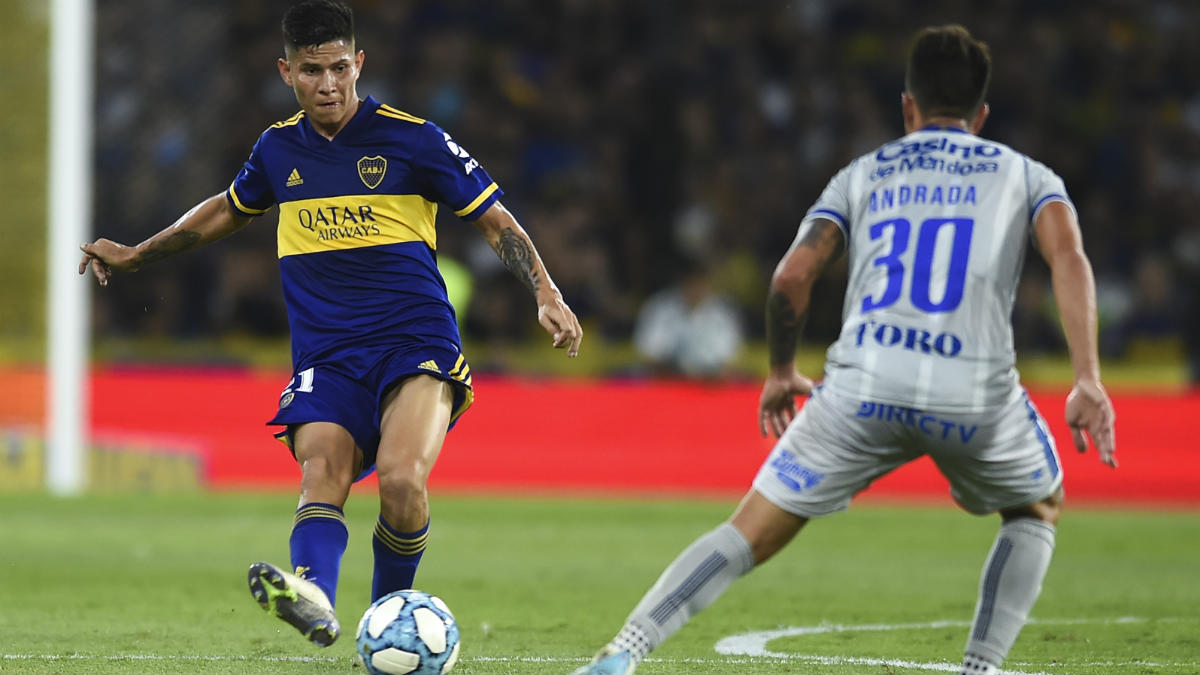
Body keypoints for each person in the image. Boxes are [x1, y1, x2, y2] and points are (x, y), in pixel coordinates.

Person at [574, 25, 1115, 675]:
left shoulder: (864, 175)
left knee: (748, 530)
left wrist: (779, 370)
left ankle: (624, 651)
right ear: (982, 115)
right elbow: (1070, 259)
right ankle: (980, 667)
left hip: (864, 387)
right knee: (1036, 506)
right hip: (973, 394)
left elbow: (791, 278)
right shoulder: (1027, 176)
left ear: (908, 106)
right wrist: (1087, 376)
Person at [79, 0, 582, 648]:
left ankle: (387, 620)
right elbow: (225, 212)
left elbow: (495, 221)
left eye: (340, 68)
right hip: (328, 355)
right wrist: (140, 251)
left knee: (402, 481)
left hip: (415, 343)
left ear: (359, 63)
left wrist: (545, 289)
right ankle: (314, 592)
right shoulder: (276, 149)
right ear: (286, 71)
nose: (329, 84)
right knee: (321, 469)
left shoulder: (415, 138)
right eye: (312, 71)